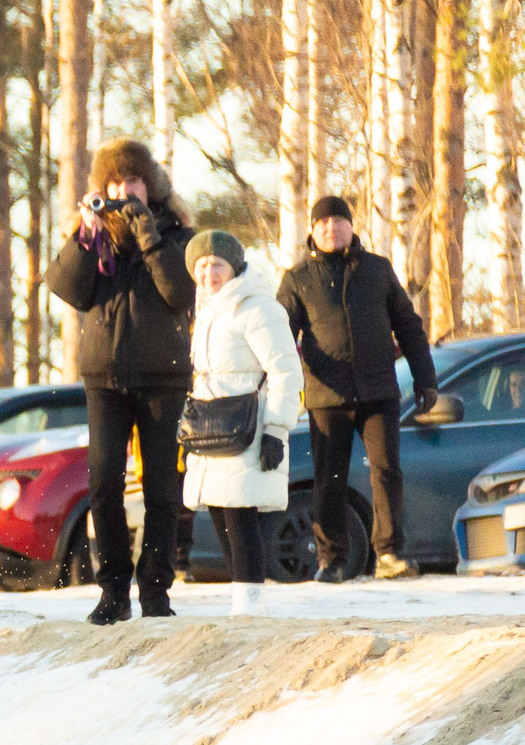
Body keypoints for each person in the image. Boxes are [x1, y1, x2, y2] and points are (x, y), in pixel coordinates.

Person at [46, 138, 197, 623]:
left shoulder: (176, 235)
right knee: (104, 484)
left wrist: (150, 236)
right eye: (114, 182)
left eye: (133, 181)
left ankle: (155, 591)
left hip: (163, 379)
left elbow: (179, 293)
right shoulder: (93, 237)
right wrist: (86, 235)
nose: (124, 190)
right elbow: (68, 290)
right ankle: (112, 590)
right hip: (104, 378)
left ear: (150, 187)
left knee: (161, 490)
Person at [275, 195, 436, 581]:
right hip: (326, 396)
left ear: (351, 226)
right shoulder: (297, 279)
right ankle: (331, 560)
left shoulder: (378, 270)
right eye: (323, 223)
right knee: (328, 479)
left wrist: (425, 378)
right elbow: (278, 336)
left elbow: (409, 327)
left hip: (379, 391)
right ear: (313, 231)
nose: (332, 229)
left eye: (339, 221)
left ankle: (390, 555)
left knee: (386, 472)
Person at [181, 231, 302, 617]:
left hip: (248, 428)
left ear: (235, 267)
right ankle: (241, 606)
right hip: (213, 430)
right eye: (201, 266)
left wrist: (276, 430)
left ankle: (251, 609)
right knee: (220, 512)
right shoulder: (207, 312)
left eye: (217, 264)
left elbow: (285, 369)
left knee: (241, 516)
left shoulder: (258, 308)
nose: (209, 273)